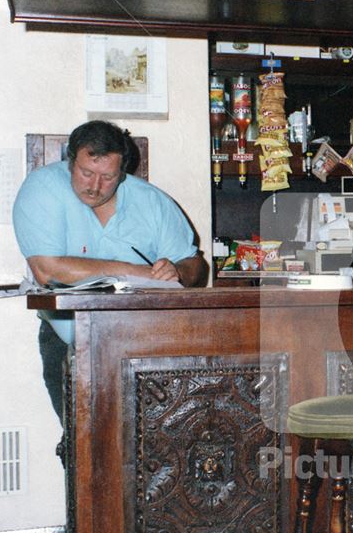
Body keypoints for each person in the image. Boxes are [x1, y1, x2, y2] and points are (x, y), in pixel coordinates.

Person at [13, 120, 207, 421]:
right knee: (83, 446)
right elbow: (48, 270)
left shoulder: (151, 200)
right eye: (86, 173)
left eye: (108, 177)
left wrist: (177, 273)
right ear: (70, 160)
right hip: (72, 338)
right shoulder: (42, 188)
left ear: (123, 173)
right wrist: (136, 272)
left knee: (153, 441)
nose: (94, 186)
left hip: (147, 339)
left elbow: (195, 264)